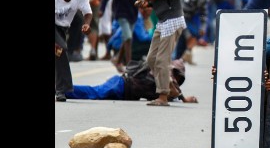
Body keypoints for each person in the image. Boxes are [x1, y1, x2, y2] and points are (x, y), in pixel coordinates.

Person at [134, 0, 186, 107]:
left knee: (162, 60)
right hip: (162, 21)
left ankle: (163, 96)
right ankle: (171, 87)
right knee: (151, 59)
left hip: (172, 19)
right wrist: (145, 3)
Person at [65, 59, 198, 103]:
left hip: (122, 88)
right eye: (178, 76)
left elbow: (172, 92)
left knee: (94, 93)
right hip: (121, 84)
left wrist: (182, 97)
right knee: (94, 93)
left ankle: (63, 89)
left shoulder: (164, 83)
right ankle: (62, 89)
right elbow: (172, 86)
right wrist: (184, 98)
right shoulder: (165, 72)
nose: (178, 80)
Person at [100, 0, 146, 70]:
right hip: (121, 14)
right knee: (129, 37)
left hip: (133, 15)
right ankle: (129, 64)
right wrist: (102, 9)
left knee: (127, 38)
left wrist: (144, 6)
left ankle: (117, 60)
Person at [55, 0, 93, 102]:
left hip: (63, 28)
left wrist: (87, 24)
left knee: (58, 54)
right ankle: (62, 90)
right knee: (61, 50)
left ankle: (60, 88)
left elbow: (87, 13)